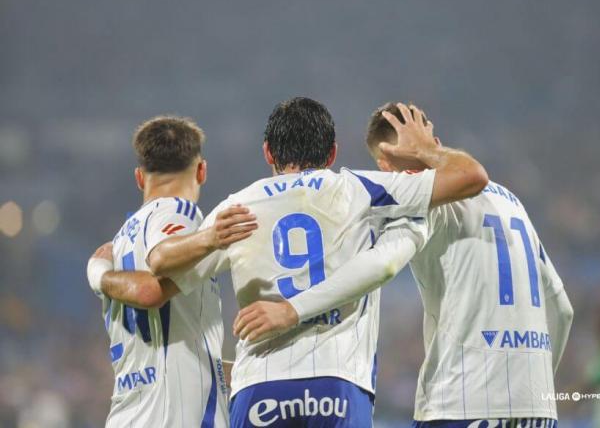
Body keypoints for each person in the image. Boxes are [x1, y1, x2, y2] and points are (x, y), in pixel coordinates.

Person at [145, 97, 489, 427]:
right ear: (333, 152)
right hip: (337, 383)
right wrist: (426, 150)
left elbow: (159, 280)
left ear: (268, 152)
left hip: (260, 387)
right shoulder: (361, 189)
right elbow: (469, 177)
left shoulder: (236, 209)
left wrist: (109, 271)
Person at [235, 102, 575, 427]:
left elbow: (382, 263)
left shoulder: (423, 203)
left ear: (386, 163)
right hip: (538, 408)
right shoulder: (512, 203)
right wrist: (538, 382)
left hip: (463, 401)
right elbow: (562, 308)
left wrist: (293, 309)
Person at [85, 116, 256, 427]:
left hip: (128, 413)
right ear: (202, 170)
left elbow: (171, 346)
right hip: (176, 415)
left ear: (139, 177)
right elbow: (150, 288)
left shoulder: (121, 241)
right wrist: (210, 236)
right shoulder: (180, 210)